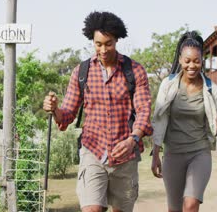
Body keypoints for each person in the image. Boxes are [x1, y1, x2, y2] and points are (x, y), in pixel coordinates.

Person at [43, 11, 153, 212]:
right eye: (98, 44)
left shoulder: (134, 71)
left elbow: (144, 111)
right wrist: (55, 109)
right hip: (92, 151)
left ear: (117, 40)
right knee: (92, 209)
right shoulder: (82, 71)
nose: (103, 49)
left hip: (125, 155)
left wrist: (132, 140)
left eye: (108, 43)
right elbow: (68, 113)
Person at [150, 31, 217, 212]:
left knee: (191, 204)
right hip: (173, 154)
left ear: (202, 61)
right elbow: (159, 120)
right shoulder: (168, 85)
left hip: (199, 153)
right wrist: (155, 155)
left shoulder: (211, 88)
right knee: (175, 209)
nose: (192, 65)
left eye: (196, 60)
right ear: (180, 60)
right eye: (187, 61)